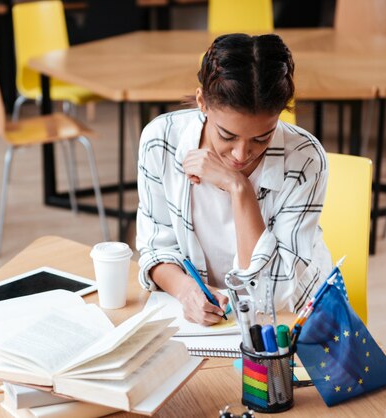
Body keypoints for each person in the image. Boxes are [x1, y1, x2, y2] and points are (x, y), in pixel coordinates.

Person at [135, 33, 332, 326]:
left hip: (290, 320)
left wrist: (238, 188)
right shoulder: (160, 141)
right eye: (227, 135)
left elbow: (272, 293)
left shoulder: (305, 159)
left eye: (262, 137)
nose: (241, 155)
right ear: (202, 102)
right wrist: (185, 290)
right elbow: (155, 247)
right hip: (204, 323)